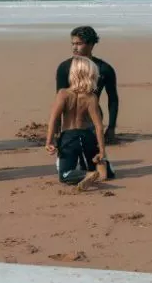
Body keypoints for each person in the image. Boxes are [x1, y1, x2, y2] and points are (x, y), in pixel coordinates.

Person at [45, 57, 108, 191]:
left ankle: (87, 174)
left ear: (72, 74)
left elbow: (54, 119)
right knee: (91, 161)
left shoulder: (63, 94)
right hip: (87, 137)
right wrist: (102, 150)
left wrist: (49, 141)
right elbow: (98, 126)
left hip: (68, 138)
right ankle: (100, 169)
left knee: (65, 174)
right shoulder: (91, 97)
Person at [56, 26, 119, 143]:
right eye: (73, 43)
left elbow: (113, 99)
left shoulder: (104, 69)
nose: (75, 47)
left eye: (79, 43)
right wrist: (57, 127)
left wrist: (111, 128)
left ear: (91, 44)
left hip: (92, 116)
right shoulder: (64, 67)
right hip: (69, 118)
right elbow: (59, 99)